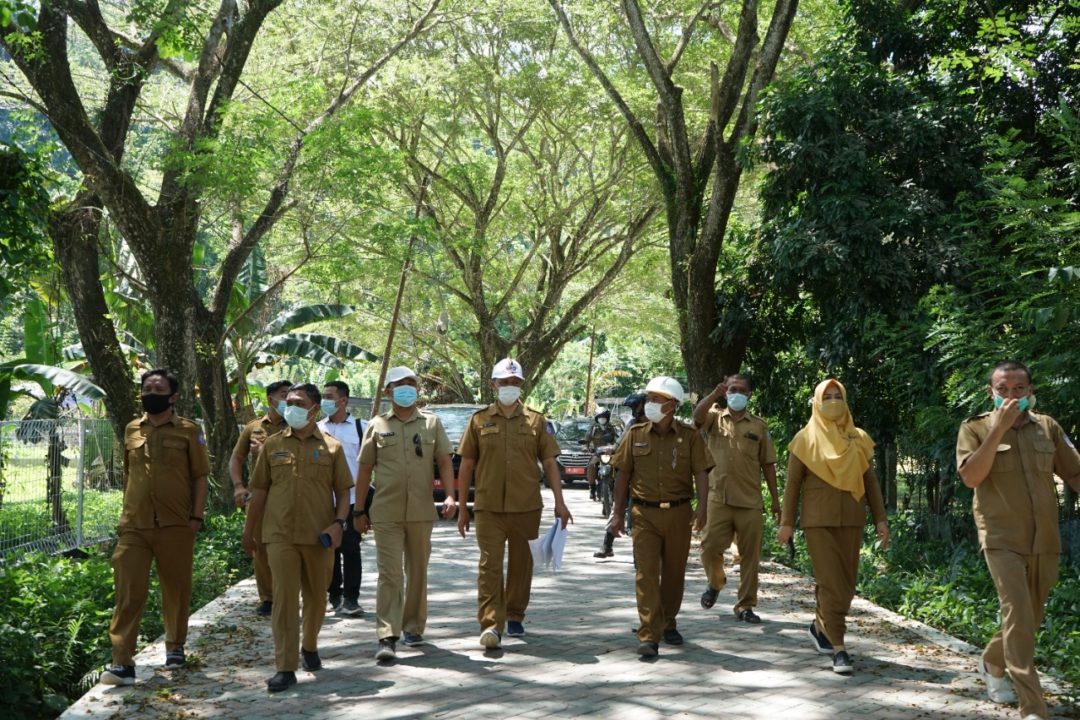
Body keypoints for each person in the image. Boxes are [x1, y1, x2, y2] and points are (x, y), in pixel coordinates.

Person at [957, 361, 1080, 720]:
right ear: (990, 392)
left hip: (1044, 536)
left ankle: (993, 660)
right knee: (1018, 613)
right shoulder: (975, 428)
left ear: (1030, 391)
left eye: (1018, 389)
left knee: (1030, 617)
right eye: (1003, 390)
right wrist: (999, 429)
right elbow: (971, 477)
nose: (1011, 396)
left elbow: (1073, 471)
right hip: (1000, 536)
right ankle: (1033, 707)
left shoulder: (1048, 428)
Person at [101, 369, 209, 686]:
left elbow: (200, 476)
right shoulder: (132, 428)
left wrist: (196, 518)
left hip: (176, 523)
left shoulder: (189, 430)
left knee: (176, 588)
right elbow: (129, 476)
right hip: (134, 526)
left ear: (173, 396)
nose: (151, 392)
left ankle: (175, 647)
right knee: (128, 592)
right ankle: (122, 663)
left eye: (158, 388)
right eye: (147, 387)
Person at [242, 383, 353, 693]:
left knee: (317, 598)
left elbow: (343, 492)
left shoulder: (332, 447)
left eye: (296, 402)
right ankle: (285, 666)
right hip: (280, 535)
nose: (287, 406)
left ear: (314, 409)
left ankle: (310, 645)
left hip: (319, 537)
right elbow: (259, 492)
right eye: (287, 401)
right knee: (285, 601)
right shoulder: (273, 445)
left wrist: (339, 524)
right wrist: (249, 531)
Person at [456, 357, 573, 650]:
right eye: (504, 382)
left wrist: (560, 502)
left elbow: (549, 462)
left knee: (522, 565)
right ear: (493, 385)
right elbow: (466, 465)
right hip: (488, 507)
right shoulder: (479, 420)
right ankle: (491, 625)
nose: (510, 387)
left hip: (526, 506)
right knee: (489, 566)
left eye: (515, 383)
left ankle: (515, 614)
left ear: (521, 386)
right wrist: (461, 507)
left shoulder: (537, 420)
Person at [777, 379, 889, 675]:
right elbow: (792, 485)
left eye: (839, 395)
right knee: (831, 585)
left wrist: (881, 519)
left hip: (852, 519)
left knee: (847, 586)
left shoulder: (859, 438)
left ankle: (819, 627)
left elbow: (871, 483)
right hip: (818, 521)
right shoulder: (804, 439)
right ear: (816, 401)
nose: (834, 400)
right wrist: (786, 523)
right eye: (827, 396)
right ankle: (839, 648)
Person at [355, 366, 455, 662]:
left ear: (418, 390)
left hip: (422, 511)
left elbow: (445, 462)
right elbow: (363, 470)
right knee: (390, 574)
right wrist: (358, 509)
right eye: (400, 385)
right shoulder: (377, 425)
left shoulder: (431, 423)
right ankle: (387, 635)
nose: (406, 389)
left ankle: (413, 626)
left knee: (417, 571)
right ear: (388, 392)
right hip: (385, 511)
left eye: (411, 384)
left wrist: (451, 495)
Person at [607, 376, 711, 657]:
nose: (650, 404)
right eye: (649, 398)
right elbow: (622, 475)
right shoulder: (635, 434)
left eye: (657, 399)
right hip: (644, 514)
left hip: (679, 513)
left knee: (674, 573)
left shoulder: (689, 437)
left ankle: (669, 621)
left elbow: (701, 472)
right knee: (646, 573)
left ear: (673, 405)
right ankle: (649, 633)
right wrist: (617, 514)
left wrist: (702, 509)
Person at [694, 374, 779, 624]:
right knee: (709, 547)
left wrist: (775, 500)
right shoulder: (714, 417)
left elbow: (769, 464)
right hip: (717, 498)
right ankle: (716, 581)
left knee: (750, 557)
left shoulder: (759, 426)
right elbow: (696, 418)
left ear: (749, 395)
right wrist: (713, 394)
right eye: (732, 389)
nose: (737, 393)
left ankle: (745, 605)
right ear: (726, 392)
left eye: (741, 390)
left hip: (749, 501)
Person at [228, 379, 291, 617]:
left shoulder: (298, 425)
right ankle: (268, 597)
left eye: (291, 395)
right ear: (270, 399)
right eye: (284, 395)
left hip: (288, 494)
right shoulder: (253, 428)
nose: (288, 400)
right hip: (259, 495)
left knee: (288, 544)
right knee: (260, 544)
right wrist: (238, 486)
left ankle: (288, 592)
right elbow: (236, 459)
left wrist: (267, 451)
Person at [317, 380, 367, 617]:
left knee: (351, 548)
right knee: (329, 549)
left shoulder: (361, 427)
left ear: (343, 400)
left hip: (353, 499)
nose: (325, 400)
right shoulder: (316, 428)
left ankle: (351, 598)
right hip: (324, 500)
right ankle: (333, 595)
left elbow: (369, 466)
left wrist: (365, 506)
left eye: (329, 396)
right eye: (323, 396)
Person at [593, 391, 647, 558]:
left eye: (635, 406)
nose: (634, 410)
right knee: (618, 504)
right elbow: (620, 443)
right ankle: (607, 545)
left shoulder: (659, 424)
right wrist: (610, 448)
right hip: (630, 471)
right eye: (632, 407)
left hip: (651, 476)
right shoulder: (632, 423)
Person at [585, 407, 618, 501]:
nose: (602, 419)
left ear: (607, 418)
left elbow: (618, 439)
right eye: (600, 417)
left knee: (619, 466)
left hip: (610, 453)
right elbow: (587, 439)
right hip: (597, 453)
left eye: (604, 417)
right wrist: (585, 448)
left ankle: (617, 487)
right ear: (597, 418)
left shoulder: (613, 428)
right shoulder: (593, 428)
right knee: (591, 465)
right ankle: (592, 487)